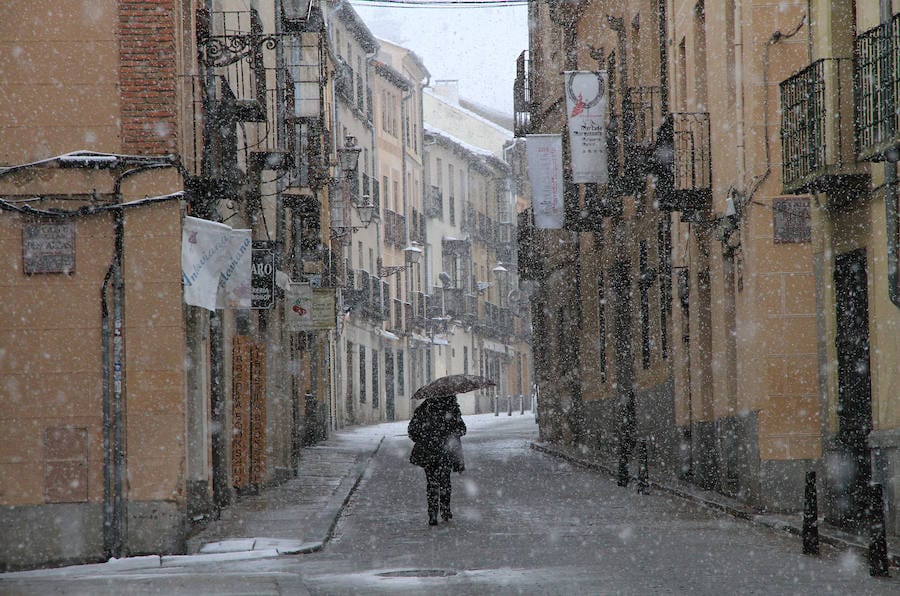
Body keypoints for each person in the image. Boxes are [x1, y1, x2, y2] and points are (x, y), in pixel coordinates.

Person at [408, 394, 467, 526]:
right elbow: (462, 429)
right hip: (445, 452)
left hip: (428, 453)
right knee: (445, 481)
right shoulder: (451, 409)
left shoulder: (424, 409)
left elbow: (412, 430)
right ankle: (445, 510)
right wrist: (451, 433)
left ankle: (432, 513)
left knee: (431, 483)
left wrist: (424, 438)